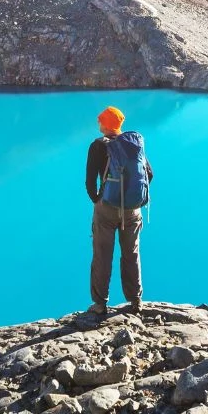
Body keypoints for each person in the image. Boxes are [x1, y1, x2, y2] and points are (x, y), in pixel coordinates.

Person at [85, 106, 153, 315]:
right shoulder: (133, 145)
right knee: (131, 253)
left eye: (100, 120)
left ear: (105, 124)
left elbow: (89, 182)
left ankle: (100, 304)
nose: (98, 123)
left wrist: (98, 200)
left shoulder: (98, 146)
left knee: (102, 255)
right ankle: (135, 300)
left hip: (107, 209)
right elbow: (149, 174)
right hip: (133, 210)